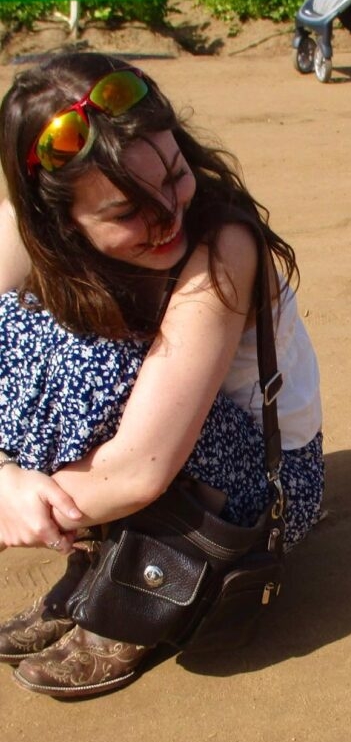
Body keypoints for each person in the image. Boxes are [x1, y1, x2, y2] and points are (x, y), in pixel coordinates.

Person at [0, 51, 324, 697]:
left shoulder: (224, 246)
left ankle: (141, 586)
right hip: (159, 449)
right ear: (58, 220)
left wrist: (20, 504)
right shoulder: (28, 227)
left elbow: (140, 468)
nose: (169, 215)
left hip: (263, 480)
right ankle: (107, 551)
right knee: (16, 331)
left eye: (176, 175)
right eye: (126, 213)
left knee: (92, 360)